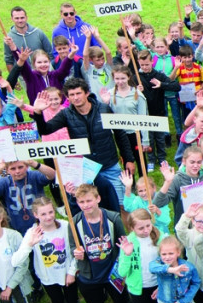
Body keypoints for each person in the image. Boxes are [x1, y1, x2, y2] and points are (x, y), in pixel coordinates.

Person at [32, 78, 134, 212]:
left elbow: (119, 133)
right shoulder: (66, 114)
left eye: (78, 93)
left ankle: (122, 232)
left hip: (109, 164)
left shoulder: (103, 109)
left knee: (122, 205)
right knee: (93, 206)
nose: (76, 98)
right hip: (87, 169)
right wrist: (38, 113)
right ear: (67, 97)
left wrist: (129, 159)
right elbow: (45, 130)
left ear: (86, 93)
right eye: (72, 95)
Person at [67, 183, 134, 303]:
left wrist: (122, 268)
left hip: (112, 271)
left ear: (98, 199)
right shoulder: (74, 223)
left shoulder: (113, 218)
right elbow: (71, 247)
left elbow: (122, 243)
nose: (86, 205)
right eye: (81, 202)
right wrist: (76, 253)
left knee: (120, 301)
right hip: (89, 275)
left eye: (89, 200)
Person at [14, 197, 86, 303]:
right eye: (43, 214)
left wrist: (72, 272)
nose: (48, 217)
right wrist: (30, 244)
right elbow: (16, 261)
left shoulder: (66, 226)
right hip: (48, 277)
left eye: (50, 212)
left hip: (67, 274)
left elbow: (76, 250)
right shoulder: (32, 233)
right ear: (35, 215)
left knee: (73, 301)